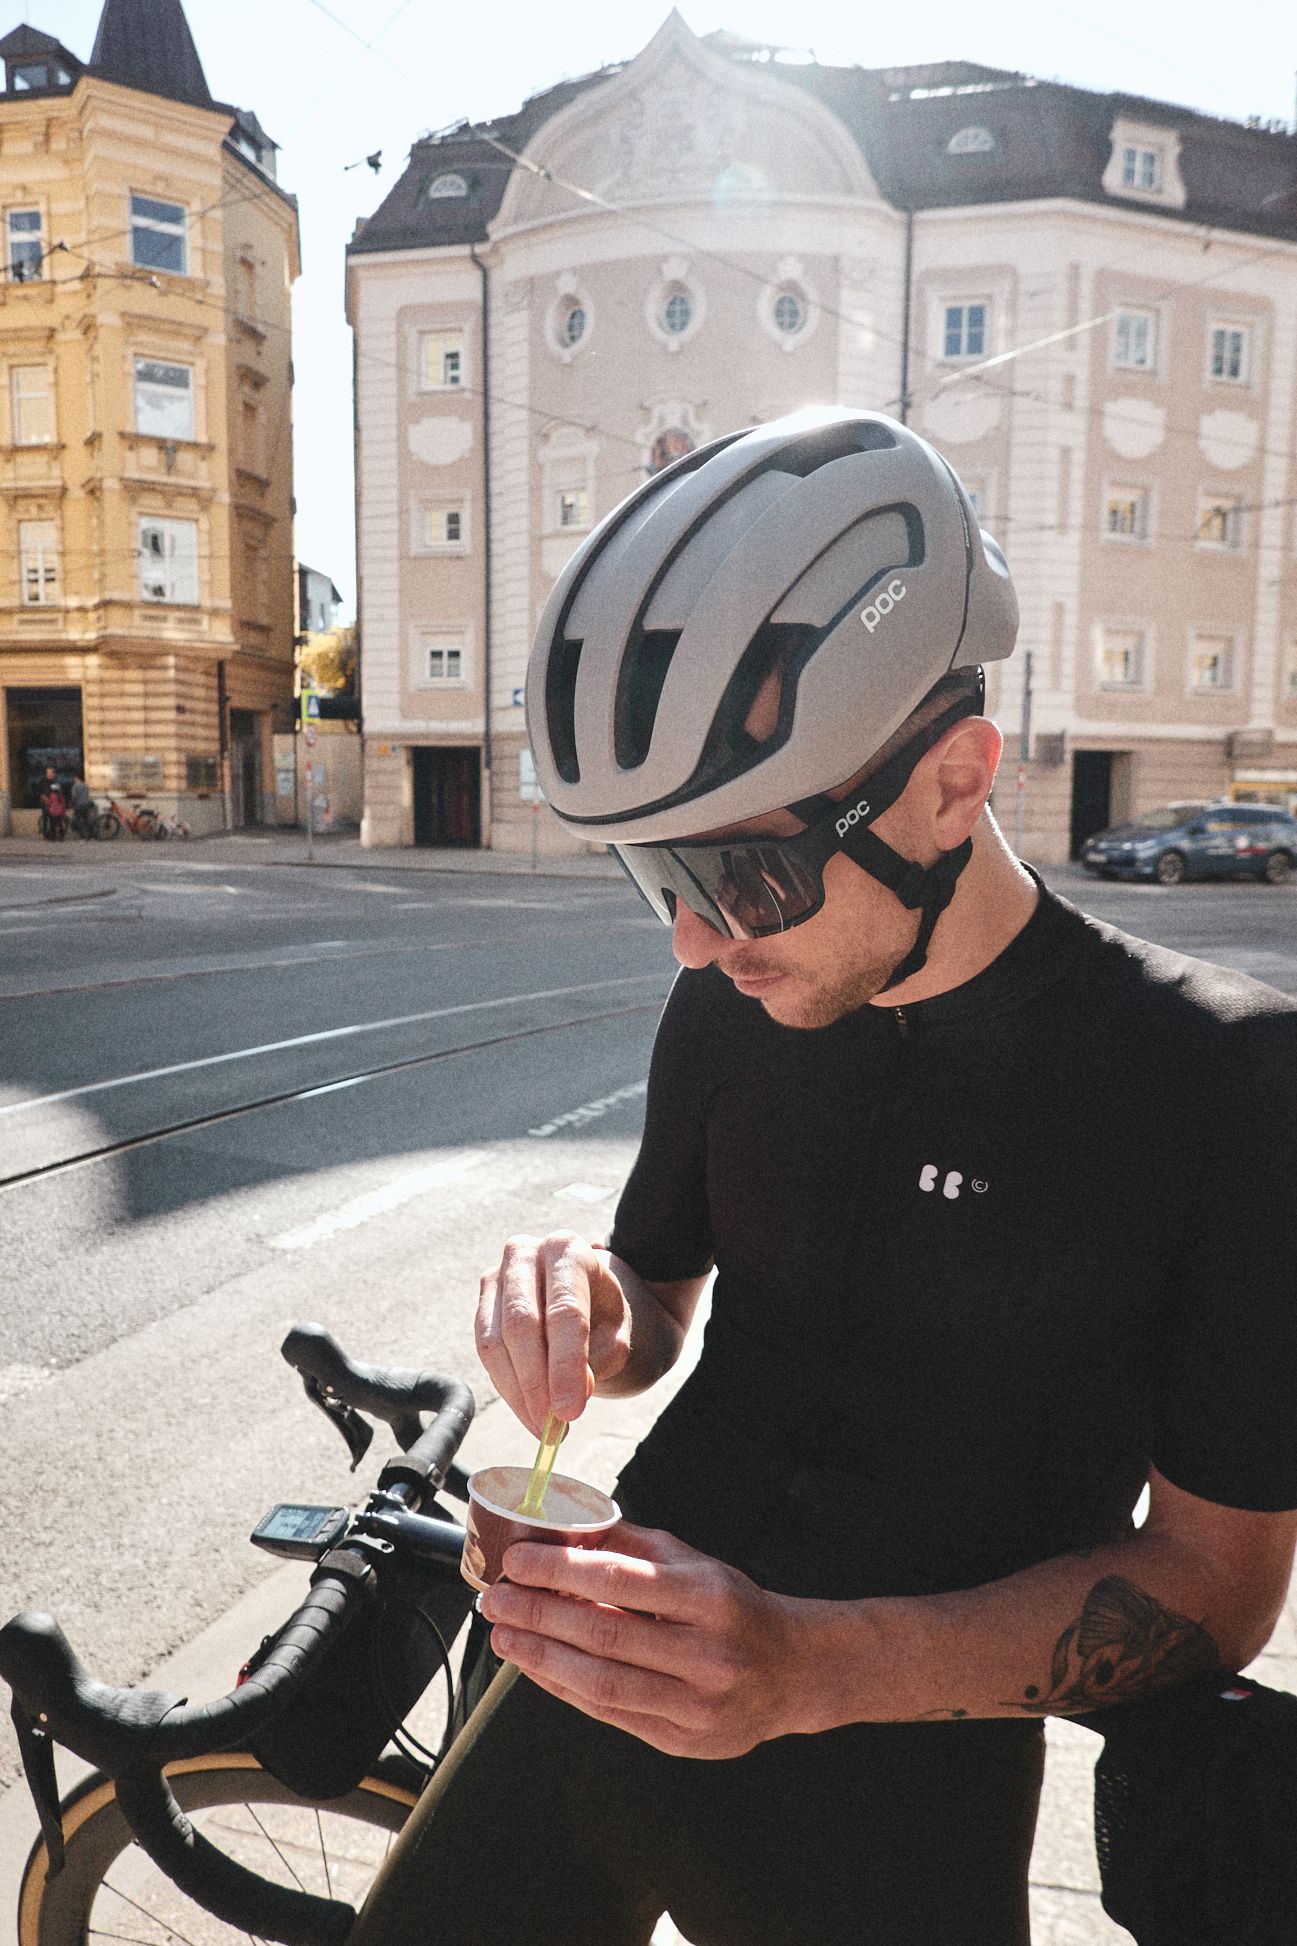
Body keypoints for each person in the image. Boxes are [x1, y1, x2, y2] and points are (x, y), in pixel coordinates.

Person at [395, 409, 1297, 1946]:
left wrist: (808, 1667)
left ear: (954, 780)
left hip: (898, 1770)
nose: (693, 940)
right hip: (593, 1669)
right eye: (653, 876)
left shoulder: (1220, 1076)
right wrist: (580, 1310)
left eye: (738, 874)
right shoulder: (727, 995)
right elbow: (659, 1313)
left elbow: (1215, 1581)